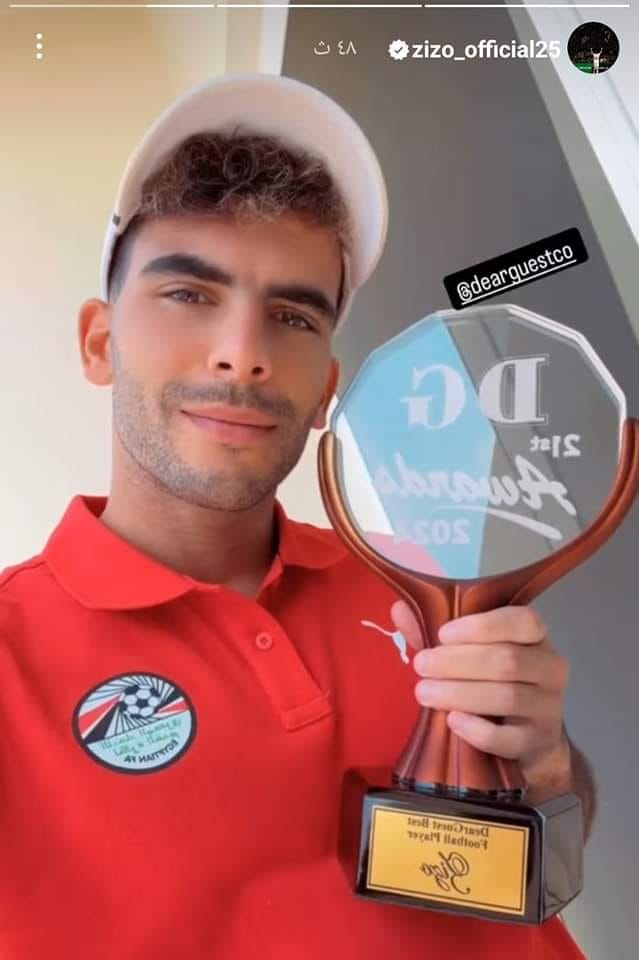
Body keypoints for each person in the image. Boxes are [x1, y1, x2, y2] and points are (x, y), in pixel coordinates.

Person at [0, 72, 594, 959]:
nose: (243, 354)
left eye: (291, 316)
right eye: (189, 295)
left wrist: (545, 764)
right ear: (100, 341)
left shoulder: (429, 583)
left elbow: (552, 857)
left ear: (327, 390)